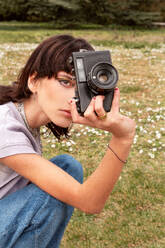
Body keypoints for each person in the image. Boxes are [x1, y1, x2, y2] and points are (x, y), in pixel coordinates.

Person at [0, 34, 135, 248]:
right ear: (33, 81)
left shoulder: (24, 120)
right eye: (65, 82)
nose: (74, 98)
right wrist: (122, 137)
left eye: (80, 87)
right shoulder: (4, 127)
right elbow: (88, 202)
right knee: (58, 181)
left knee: (66, 167)